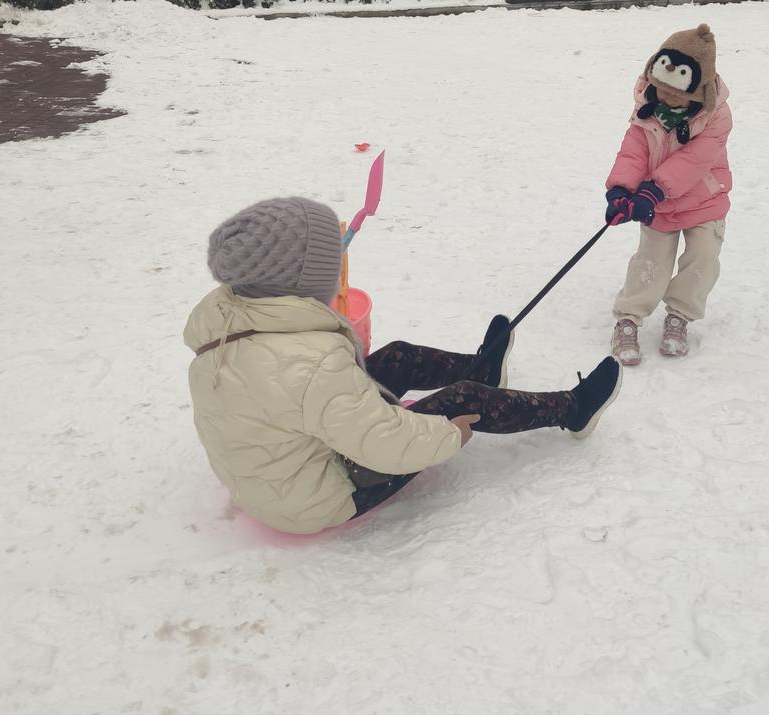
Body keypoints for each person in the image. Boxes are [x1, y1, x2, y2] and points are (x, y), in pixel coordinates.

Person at [183, 197, 622, 535]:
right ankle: (573, 409)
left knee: (397, 357)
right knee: (462, 402)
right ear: (299, 281)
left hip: (275, 475)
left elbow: (316, 395)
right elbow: (385, 443)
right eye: (329, 260)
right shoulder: (310, 364)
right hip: (317, 497)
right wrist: (449, 433)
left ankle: (482, 367)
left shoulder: (231, 319)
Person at [604, 24, 732, 365]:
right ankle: (628, 317)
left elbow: (695, 160)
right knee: (651, 261)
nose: (667, 98)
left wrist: (654, 189)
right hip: (655, 201)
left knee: (703, 257)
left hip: (703, 199)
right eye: (661, 89)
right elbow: (634, 152)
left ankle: (680, 315)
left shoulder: (716, 116)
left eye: (677, 94)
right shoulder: (648, 107)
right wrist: (621, 189)